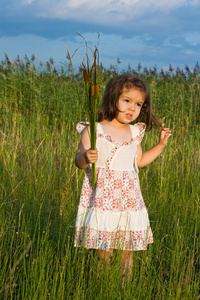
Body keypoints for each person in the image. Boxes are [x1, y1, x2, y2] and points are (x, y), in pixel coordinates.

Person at [74, 74, 171, 286]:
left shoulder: (135, 132)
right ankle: (105, 285)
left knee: (127, 249)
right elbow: (79, 160)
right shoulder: (95, 129)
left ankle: (123, 287)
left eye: (138, 104)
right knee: (105, 248)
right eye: (127, 101)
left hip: (128, 199)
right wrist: (85, 157)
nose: (132, 108)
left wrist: (161, 145)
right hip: (104, 200)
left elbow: (141, 160)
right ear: (112, 97)